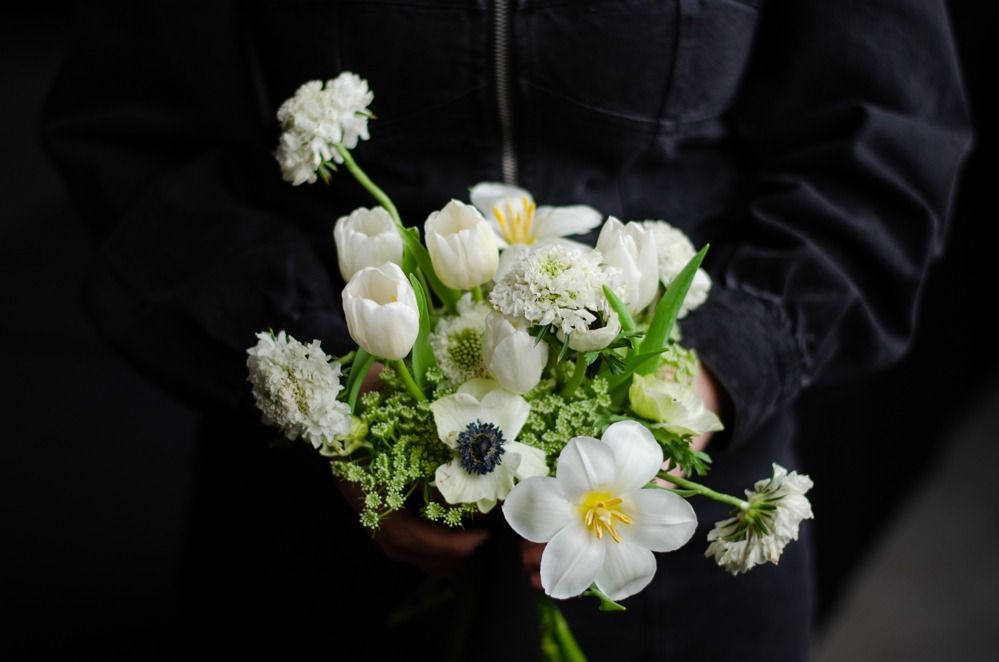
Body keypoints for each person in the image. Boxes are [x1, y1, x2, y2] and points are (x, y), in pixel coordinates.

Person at [42, 1, 972, 659]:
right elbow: (130, 131)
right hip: (308, 518)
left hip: (679, 528)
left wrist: (708, 374)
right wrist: (340, 372)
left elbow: (885, 140)